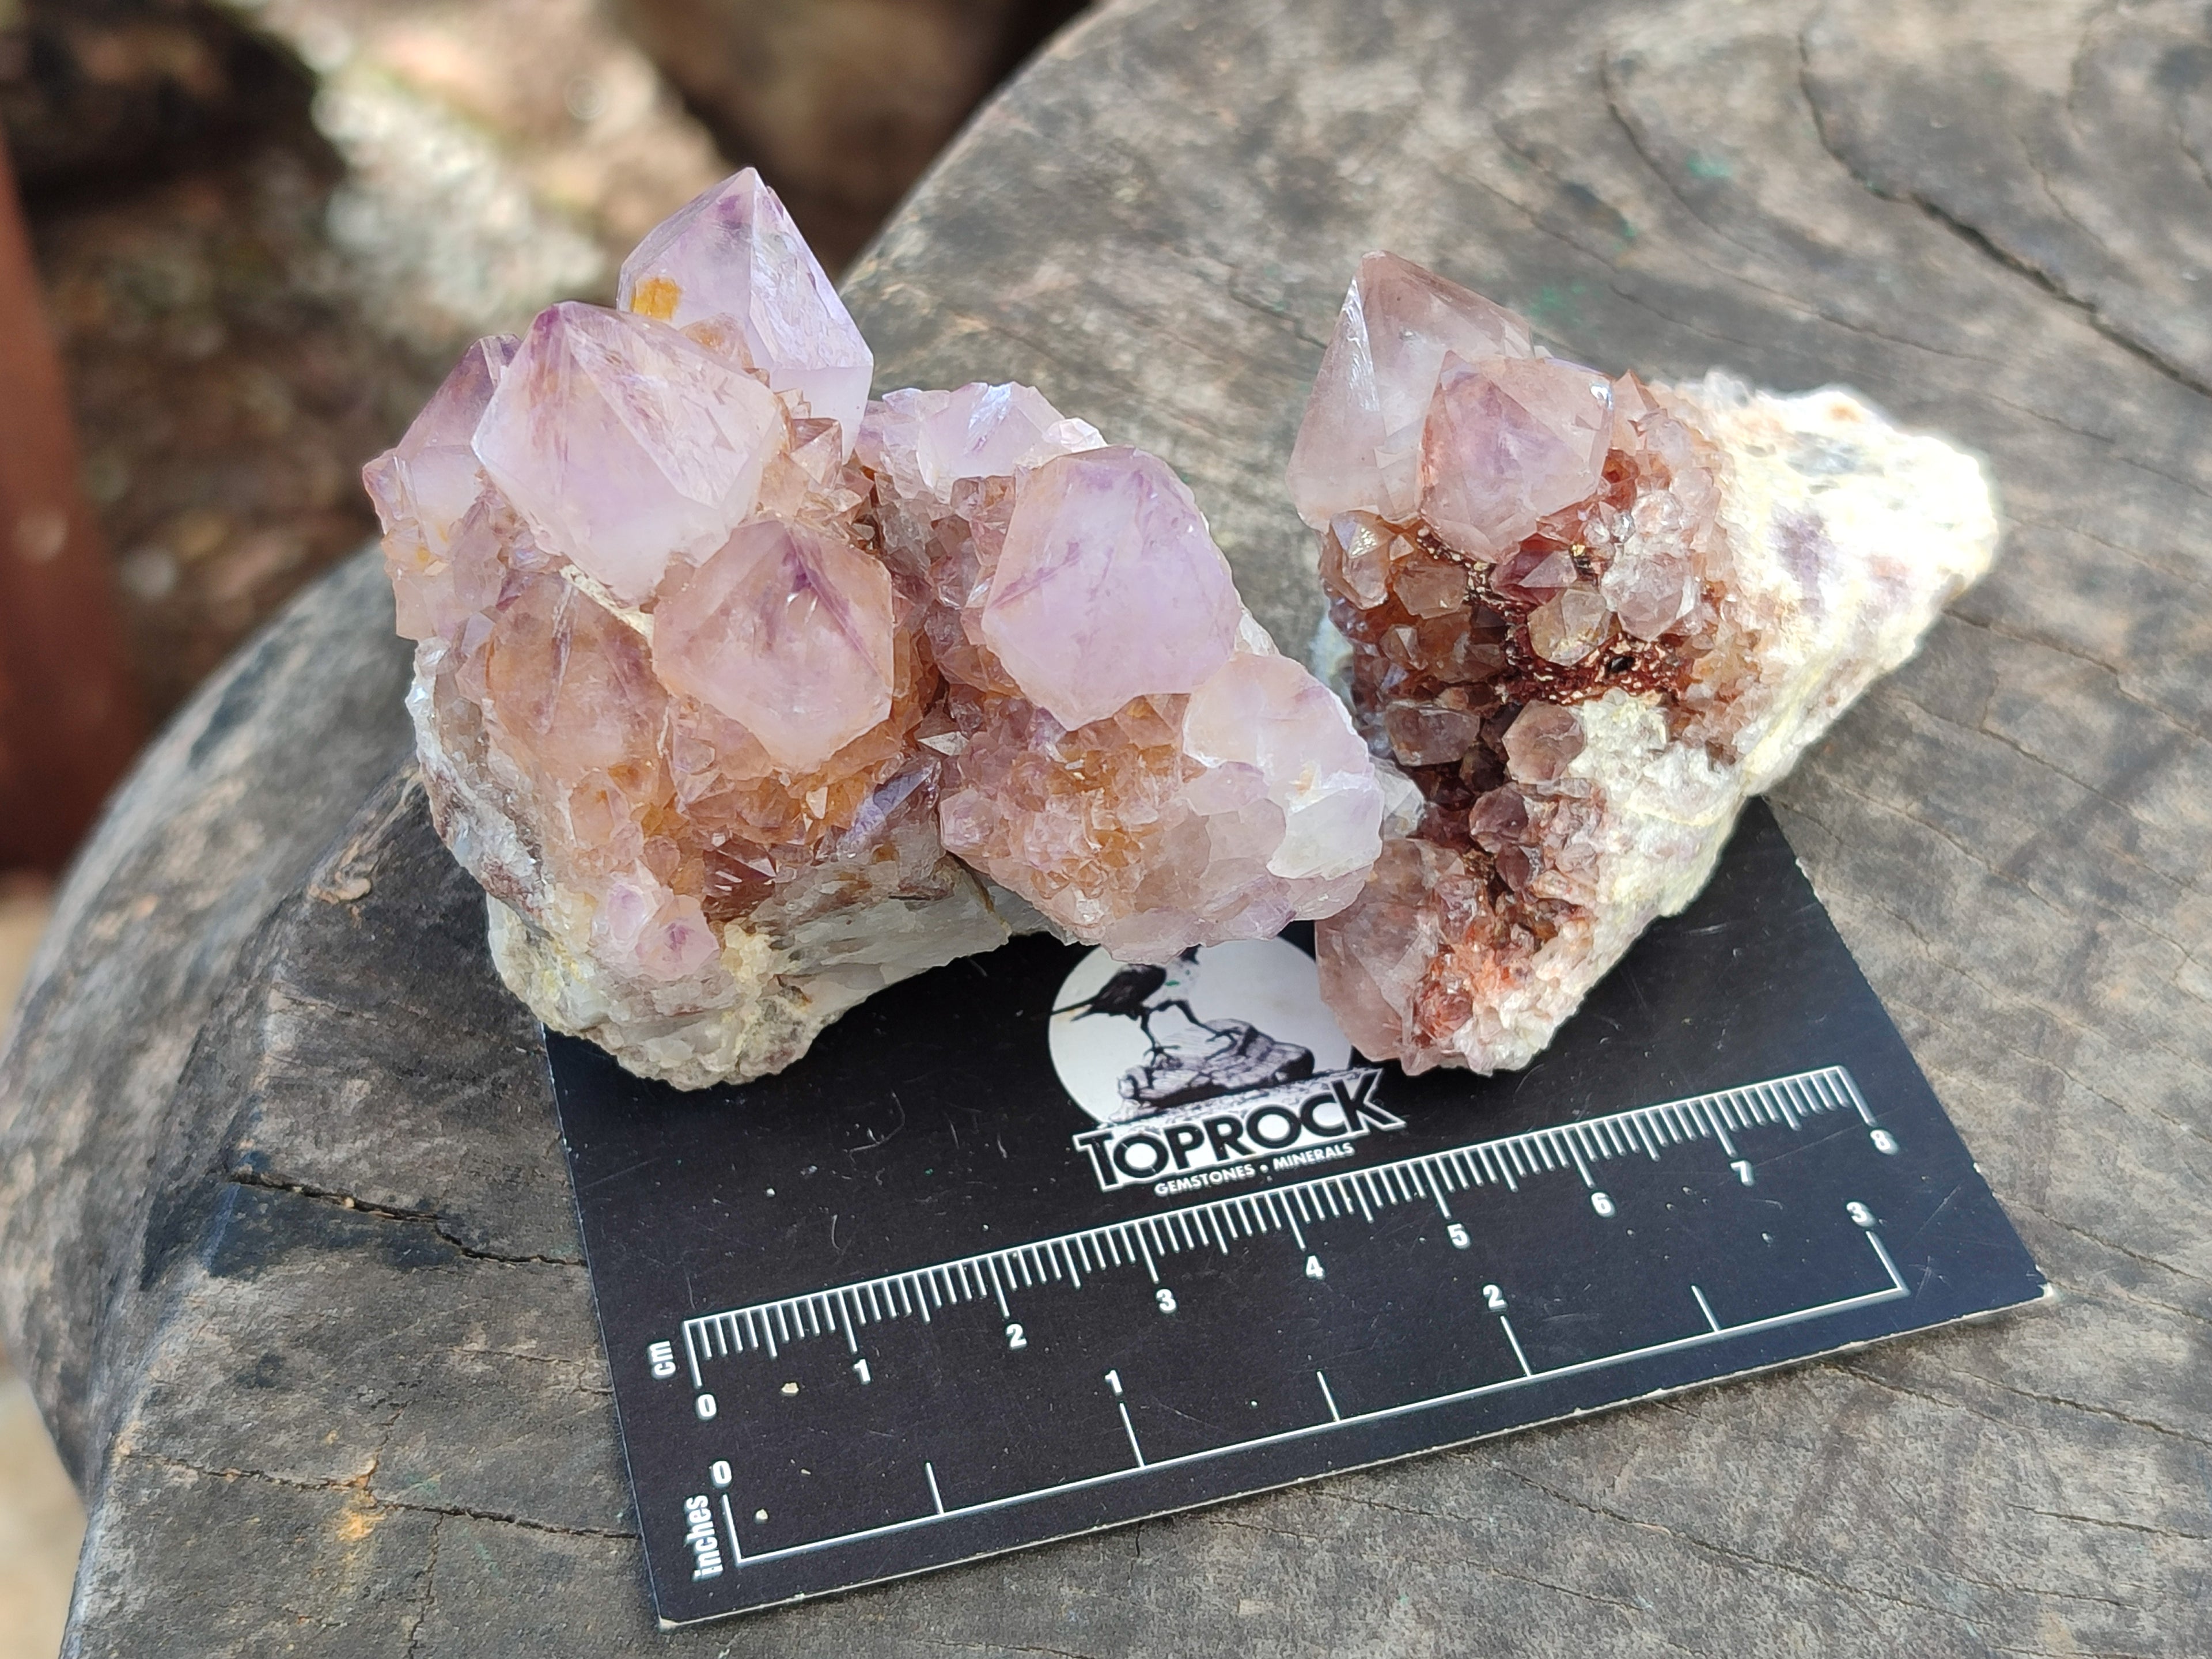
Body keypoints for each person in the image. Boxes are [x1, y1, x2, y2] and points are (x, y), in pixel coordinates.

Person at [1056, 948, 1314, 1113]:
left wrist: (1206, 1030)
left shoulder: (1189, 970)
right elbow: (1139, 1005)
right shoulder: (1156, 970)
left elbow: (1183, 1005)